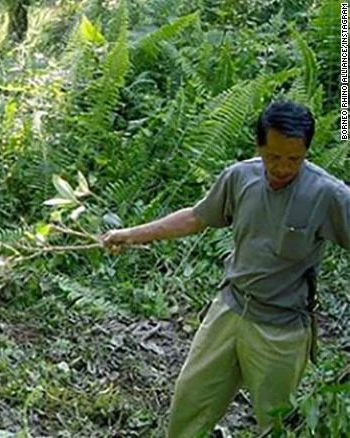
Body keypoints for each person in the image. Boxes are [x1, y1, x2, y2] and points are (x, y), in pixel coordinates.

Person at [100, 100, 350, 437]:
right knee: (189, 403)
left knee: (275, 424)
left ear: (307, 152)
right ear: (259, 146)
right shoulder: (240, 177)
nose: (282, 168)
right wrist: (132, 235)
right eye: (273, 157)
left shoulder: (327, 194)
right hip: (228, 311)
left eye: (294, 159)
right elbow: (196, 217)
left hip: (281, 329)